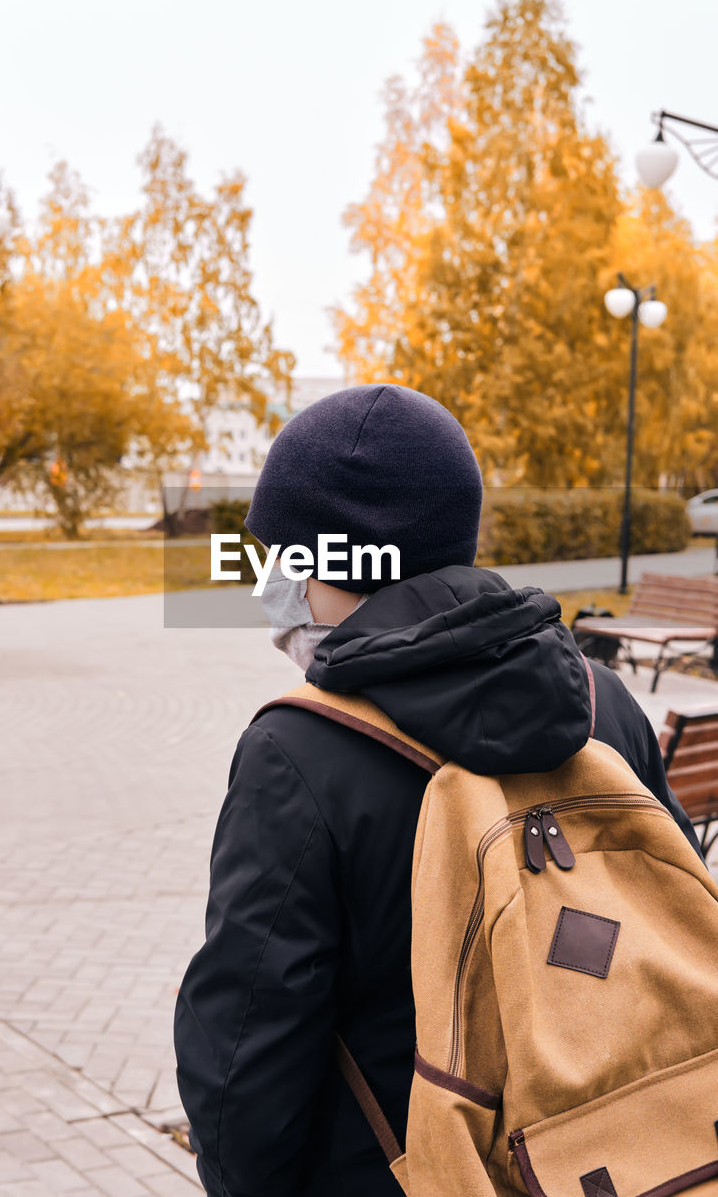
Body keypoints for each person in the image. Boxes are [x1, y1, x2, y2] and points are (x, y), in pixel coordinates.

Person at [174, 384, 700, 1197]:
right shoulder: (603, 700)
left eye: (283, 553)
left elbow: (247, 1054)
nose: (271, 576)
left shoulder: (297, 751)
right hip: (622, 1157)